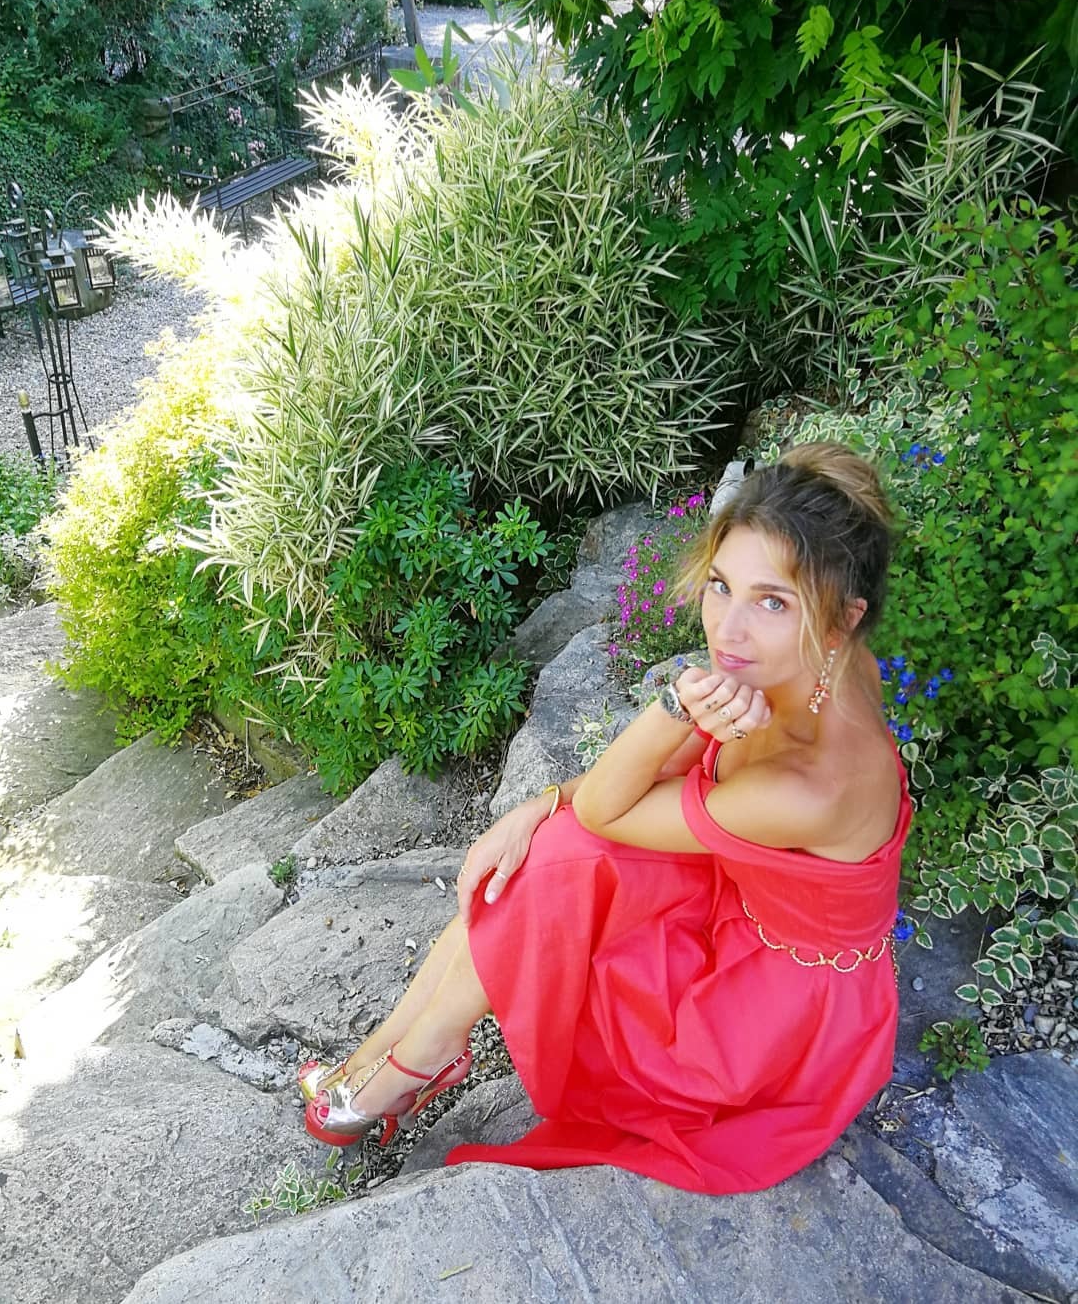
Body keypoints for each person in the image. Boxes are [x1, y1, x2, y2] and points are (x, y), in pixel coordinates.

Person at [301, 442, 910, 1195]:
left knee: (556, 862)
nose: (728, 630)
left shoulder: (808, 786)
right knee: (547, 853)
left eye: (773, 602)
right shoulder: (815, 661)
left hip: (768, 1026)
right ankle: (394, 1055)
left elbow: (606, 807)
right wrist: (536, 806)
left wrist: (673, 706)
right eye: (721, 586)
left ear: (843, 618)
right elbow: (614, 801)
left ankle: (408, 1064)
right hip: (743, 897)